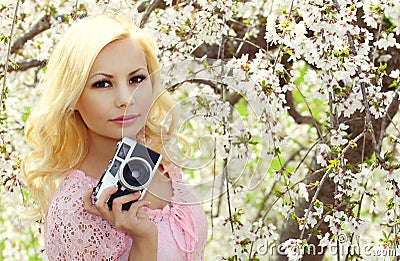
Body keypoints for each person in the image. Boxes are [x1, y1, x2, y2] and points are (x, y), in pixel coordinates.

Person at [21, 12, 208, 260]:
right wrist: (143, 239)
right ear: (73, 97)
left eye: (137, 79)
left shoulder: (162, 167)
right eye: (102, 83)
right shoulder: (75, 210)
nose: (124, 99)